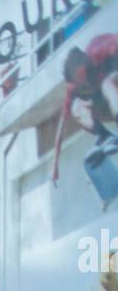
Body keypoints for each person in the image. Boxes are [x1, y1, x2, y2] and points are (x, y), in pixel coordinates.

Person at [52, 34, 118, 184]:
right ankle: (105, 136)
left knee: (107, 82)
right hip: (108, 106)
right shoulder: (74, 87)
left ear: (81, 68)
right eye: (79, 83)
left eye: (81, 80)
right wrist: (55, 163)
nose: (83, 84)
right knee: (76, 106)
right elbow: (62, 124)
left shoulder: (101, 49)